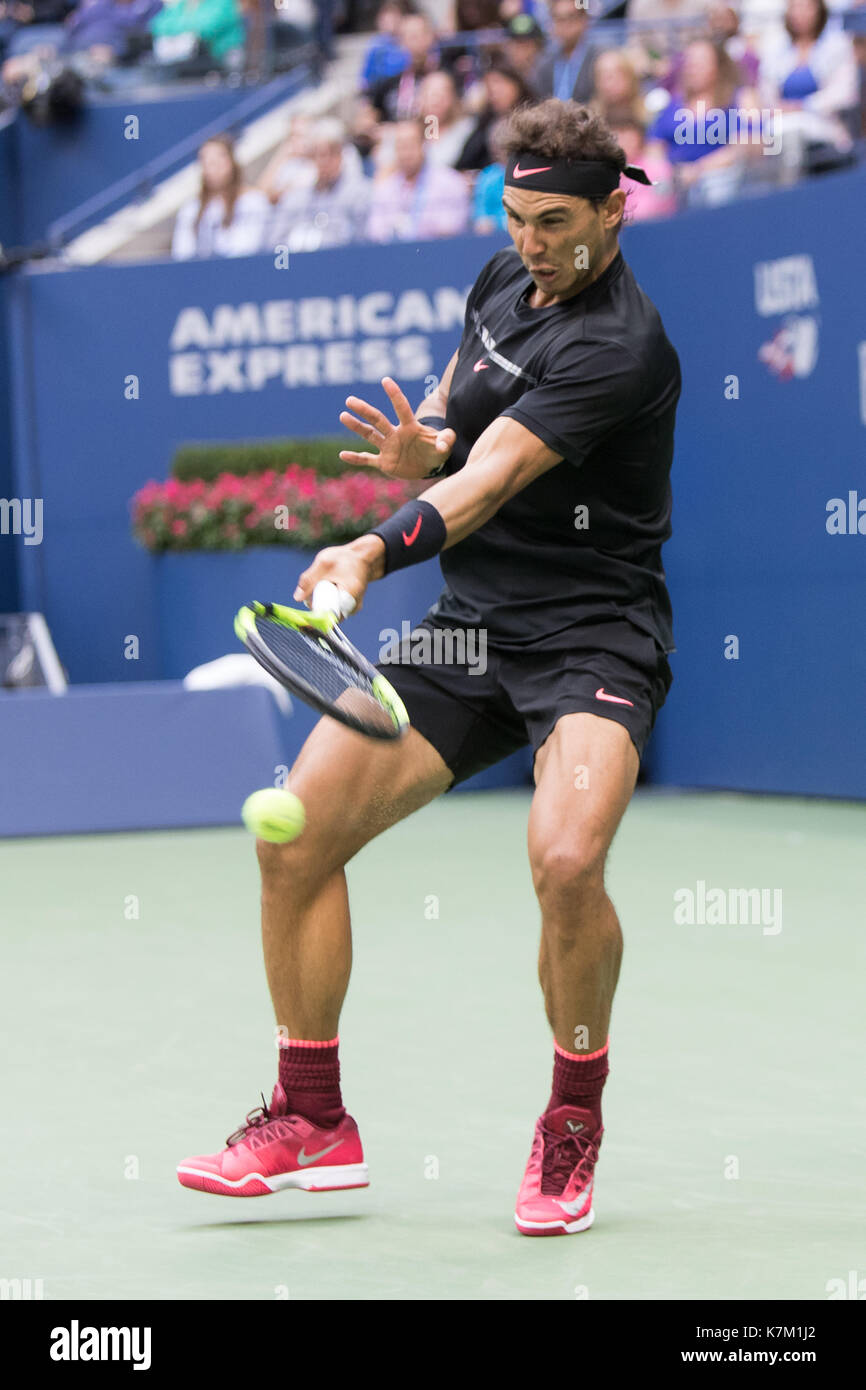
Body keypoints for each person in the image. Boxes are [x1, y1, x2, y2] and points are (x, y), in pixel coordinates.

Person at [176, 99, 682, 1239]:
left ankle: (571, 1116)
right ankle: (311, 1120)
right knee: (299, 832)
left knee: (562, 859)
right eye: (514, 218)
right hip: (472, 627)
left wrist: (370, 539)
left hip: (590, 635)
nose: (531, 243)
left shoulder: (620, 344)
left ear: (614, 209)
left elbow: (492, 480)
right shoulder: (501, 280)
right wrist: (428, 441)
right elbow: (463, 418)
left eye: (555, 222)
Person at [758, 0, 858, 179]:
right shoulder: (774, 48)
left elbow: (845, 93)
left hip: (826, 126)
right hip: (780, 126)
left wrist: (803, 106)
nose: (800, 14)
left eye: (806, 7)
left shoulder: (837, 45)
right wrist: (780, 109)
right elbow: (765, 95)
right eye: (795, 7)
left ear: (819, 10)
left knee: (788, 130)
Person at [270, 118, 370, 250]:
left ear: (340, 155)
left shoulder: (360, 192)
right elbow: (276, 245)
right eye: (318, 155)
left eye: (330, 154)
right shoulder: (297, 198)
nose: (324, 161)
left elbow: (363, 240)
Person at [365, 114, 470, 240]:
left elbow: (452, 227)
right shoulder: (386, 189)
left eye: (410, 145)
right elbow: (375, 232)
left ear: (423, 145)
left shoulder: (450, 182)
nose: (406, 153)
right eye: (400, 147)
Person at [172, 134, 269, 258]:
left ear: (231, 162)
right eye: (206, 162)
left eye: (218, 161)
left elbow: (248, 249)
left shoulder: (253, 201)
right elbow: (182, 253)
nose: (212, 169)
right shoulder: (191, 208)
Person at [454, 59, 533, 169]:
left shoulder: (533, 119)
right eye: (490, 87)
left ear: (516, 84)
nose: (495, 92)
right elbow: (465, 161)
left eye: (500, 83)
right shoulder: (485, 122)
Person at [531, 0, 598, 104]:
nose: (566, 25)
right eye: (559, 19)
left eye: (571, 17)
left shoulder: (599, 59)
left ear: (584, 20)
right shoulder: (544, 62)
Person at [149, 0, 245, 68]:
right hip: (189, 62)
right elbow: (157, 25)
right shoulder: (183, 4)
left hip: (221, 59)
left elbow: (208, 27)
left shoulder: (223, 2)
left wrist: (179, 28)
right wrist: (189, 29)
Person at [415, 67, 475, 164]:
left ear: (453, 98)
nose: (435, 101)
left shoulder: (467, 130)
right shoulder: (411, 133)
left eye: (442, 95)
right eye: (430, 95)